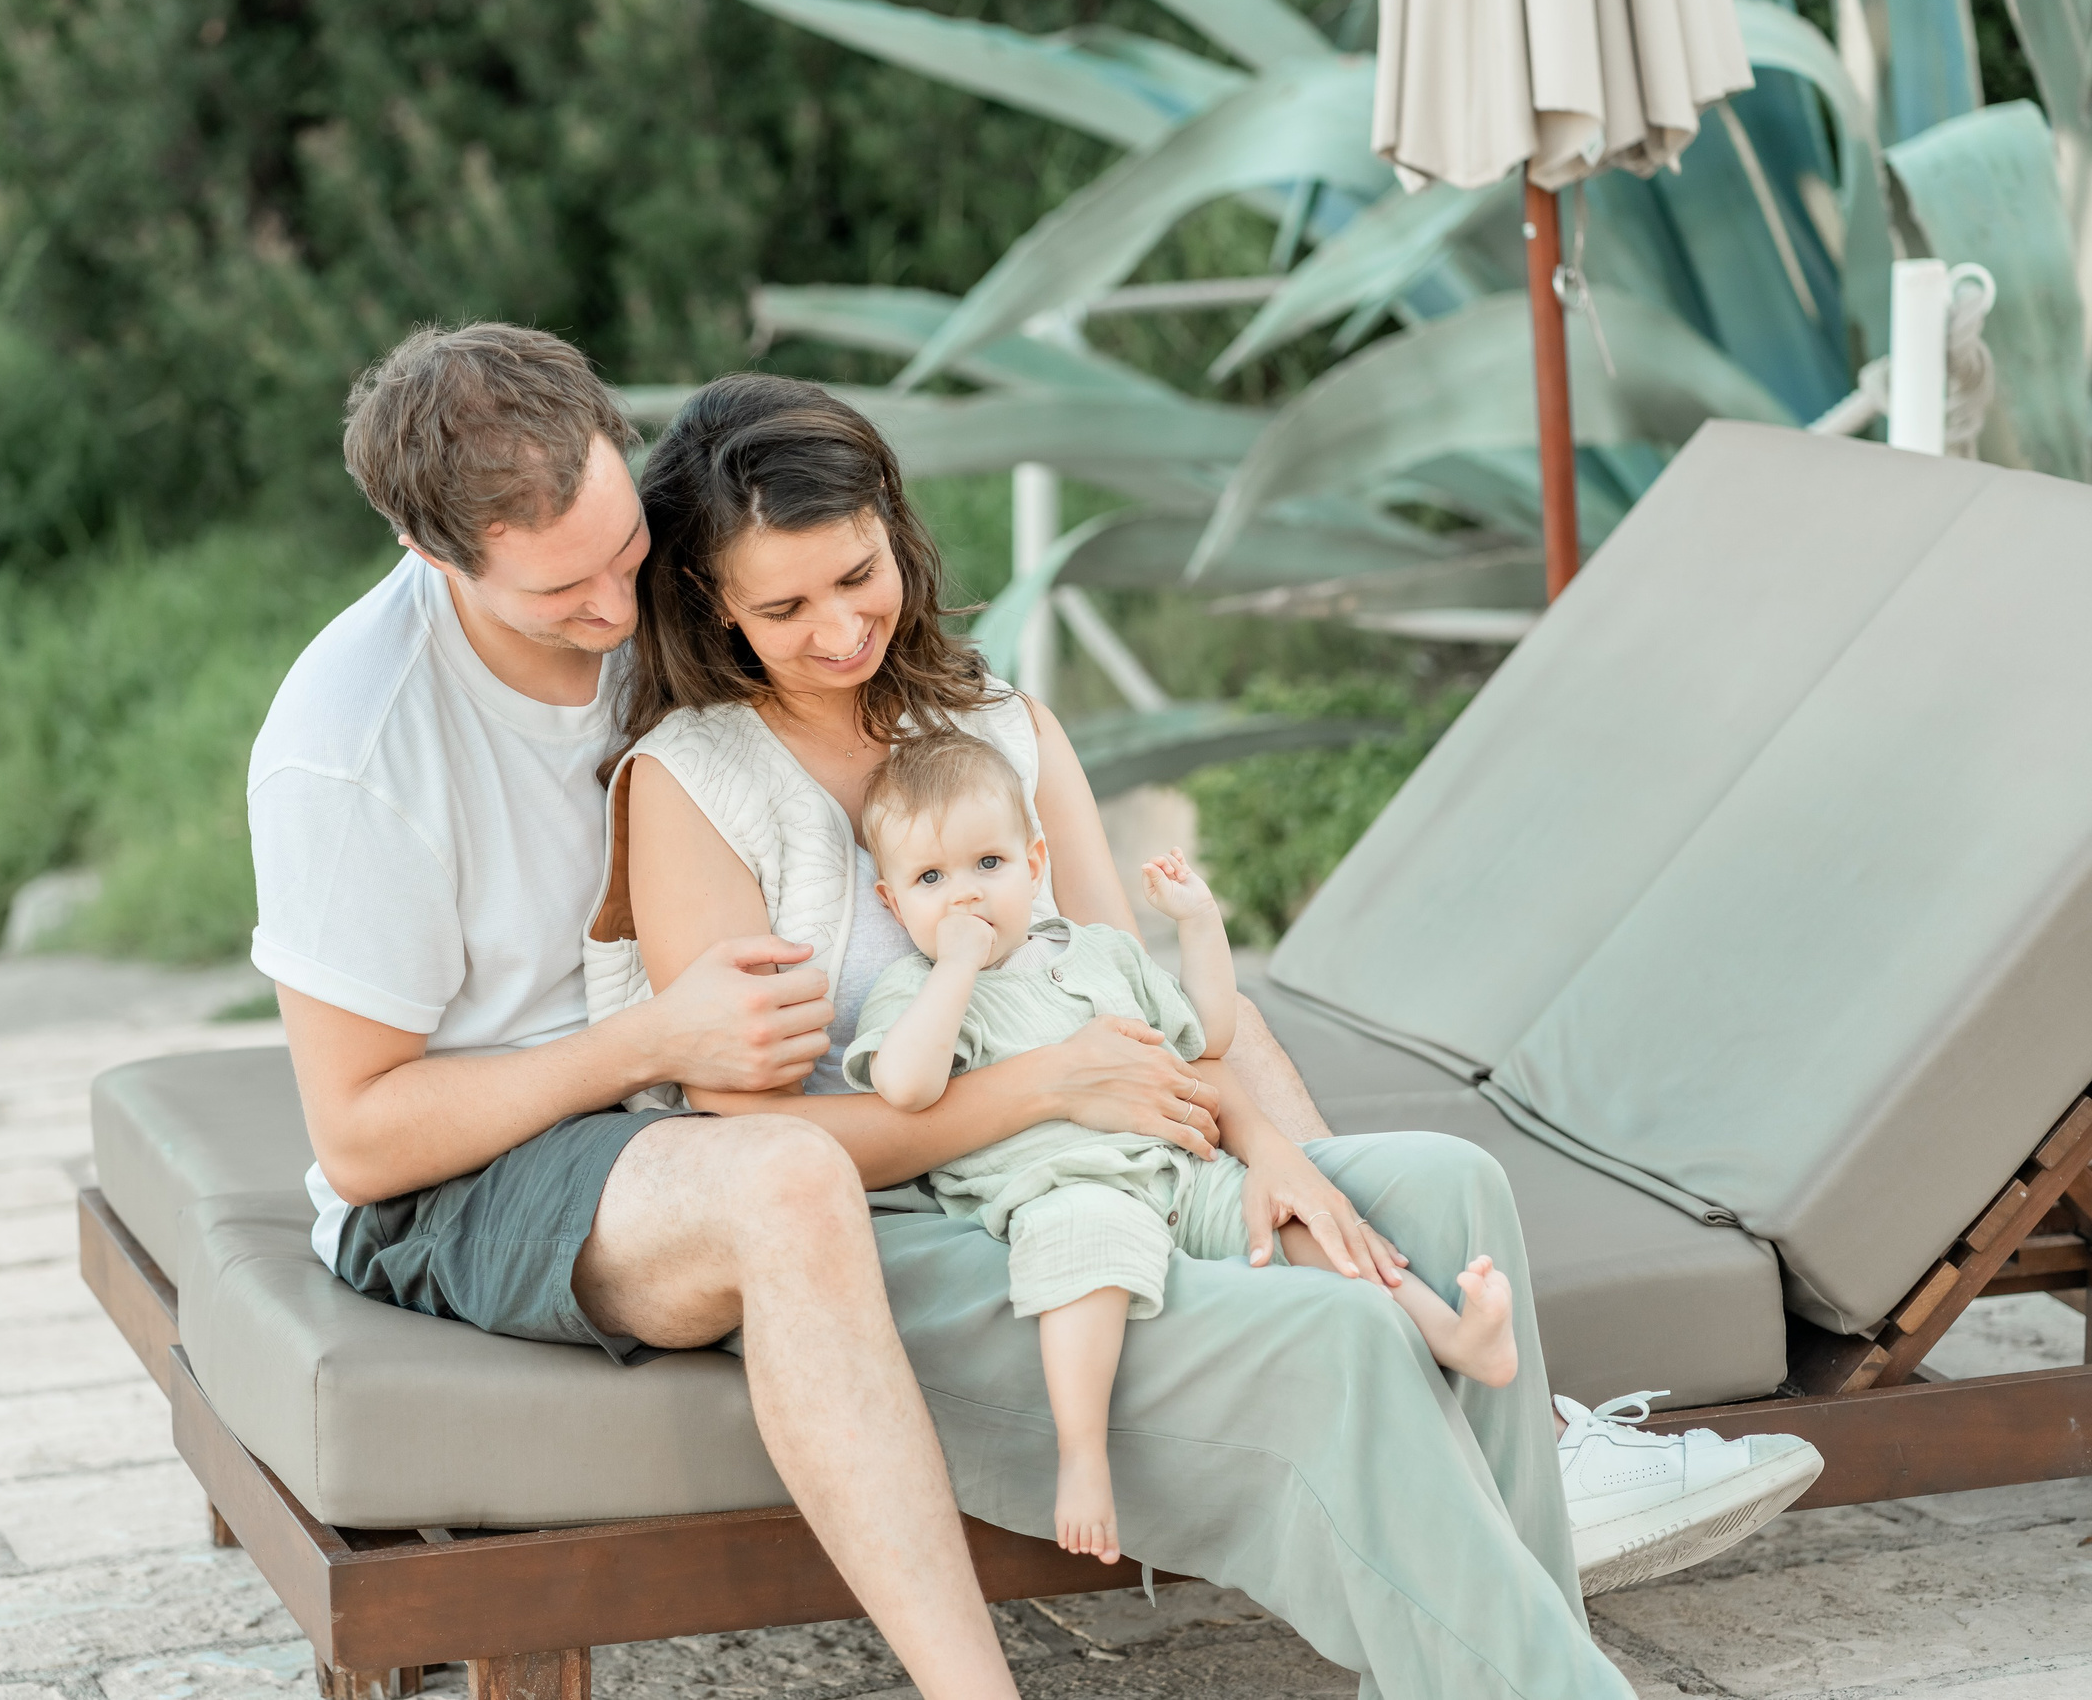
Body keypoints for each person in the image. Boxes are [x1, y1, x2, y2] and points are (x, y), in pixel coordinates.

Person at [249, 326, 1816, 1700]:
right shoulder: (415, 745)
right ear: (433, 553)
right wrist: (683, 1046)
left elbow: (1140, 985)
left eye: (627, 551)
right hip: (595, 1156)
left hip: (1021, 1134)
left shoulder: (943, 705)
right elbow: (400, 1125)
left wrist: (1281, 1153)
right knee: (1275, 1326)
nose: (617, 598)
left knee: (1434, 1190)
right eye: (568, 585)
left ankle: (1511, 1529)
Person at [842, 731, 1518, 1564]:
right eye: (930, 879)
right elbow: (906, 1085)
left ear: (1035, 859)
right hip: (1060, 1186)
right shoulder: (917, 991)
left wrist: (1198, 923)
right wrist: (955, 968)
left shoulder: (1102, 951)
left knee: (1286, 1214)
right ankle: (1083, 1454)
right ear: (890, 899)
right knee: (1085, 1255)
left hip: (1175, 1164)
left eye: (989, 863)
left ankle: (1450, 1334)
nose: (966, 898)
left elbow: (1209, 1035)